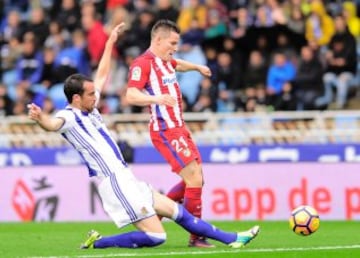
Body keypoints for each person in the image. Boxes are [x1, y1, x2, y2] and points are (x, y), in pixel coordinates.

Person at [27, 23, 260, 250]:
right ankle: (99, 242)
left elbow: (103, 73)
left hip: (126, 176)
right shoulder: (67, 117)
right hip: (112, 181)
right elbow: (52, 124)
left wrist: (109, 43)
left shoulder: (91, 107)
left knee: (177, 212)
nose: (95, 97)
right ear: (76, 99)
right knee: (157, 237)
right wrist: (40, 119)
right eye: (90, 94)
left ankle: (233, 238)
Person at [125, 19, 213, 247]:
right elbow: (131, 95)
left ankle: (156, 211)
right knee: (194, 177)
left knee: (196, 180)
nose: (175, 47)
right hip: (165, 129)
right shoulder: (142, 63)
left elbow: (177, 64)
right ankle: (197, 237)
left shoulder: (165, 61)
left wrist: (196, 67)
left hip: (179, 127)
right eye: (172, 43)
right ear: (158, 40)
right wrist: (155, 98)